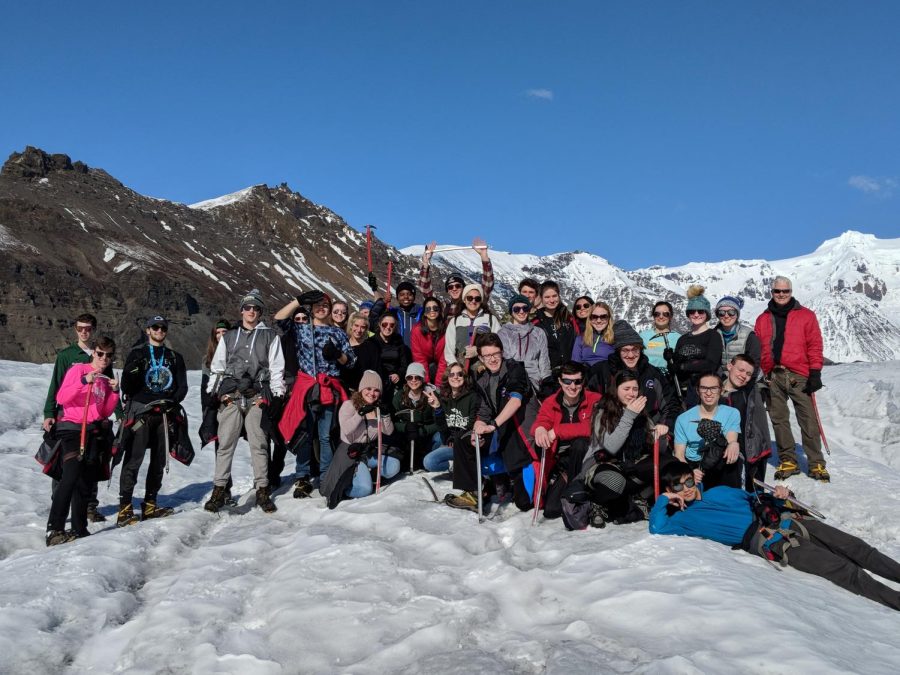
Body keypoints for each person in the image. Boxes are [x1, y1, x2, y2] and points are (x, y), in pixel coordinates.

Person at [650, 461, 900, 612]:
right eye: (678, 487)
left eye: (688, 481)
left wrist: (781, 492)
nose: (687, 489)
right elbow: (657, 528)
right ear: (671, 491)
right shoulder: (682, 519)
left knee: (858, 548)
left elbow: (758, 499)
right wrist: (663, 500)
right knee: (842, 569)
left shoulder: (721, 491)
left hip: (789, 519)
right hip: (770, 540)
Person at [204, 289, 285, 514]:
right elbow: (218, 367)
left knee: (258, 443)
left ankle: (262, 489)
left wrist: (275, 396)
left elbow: (276, 367)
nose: (251, 311)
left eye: (256, 308)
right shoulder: (229, 337)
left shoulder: (270, 336)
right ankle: (219, 489)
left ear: (260, 312)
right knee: (226, 442)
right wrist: (216, 394)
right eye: (248, 307)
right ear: (241, 310)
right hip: (232, 394)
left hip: (257, 394)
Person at [274, 291, 355, 498]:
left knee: (326, 436)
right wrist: (298, 301)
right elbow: (280, 319)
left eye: (325, 305)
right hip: (307, 389)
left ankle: (325, 475)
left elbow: (351, 361)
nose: (322, 308)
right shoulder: (301, 329)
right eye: (317, 305)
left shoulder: (337, 334)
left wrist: (338, 355)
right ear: (311, 308)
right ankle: (302, 475)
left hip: (329, 389)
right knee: (305, 433)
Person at [445, 334, 536, 512]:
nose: (492, 359)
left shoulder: (514, 369)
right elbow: (484, 410)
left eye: (496, 353)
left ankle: (506, 477)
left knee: (524, 503)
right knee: (464, 440)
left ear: (502, 353)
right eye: (487, 356)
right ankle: (474, 491)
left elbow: (515, 401)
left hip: (519, 432)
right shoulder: (483, 379)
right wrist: (478, 426)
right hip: (500, 430)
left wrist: (493, 425)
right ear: (480, 358)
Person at [561, 370, 661, 530]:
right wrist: (629, 415)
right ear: (616, 390)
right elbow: (611, 447)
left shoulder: (641, 413)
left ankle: (638, 499)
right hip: (601, 465)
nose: (632, 393)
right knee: (615, 482)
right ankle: (597, 503)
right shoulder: (602, 412)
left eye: (635, 389)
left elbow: (654, 446)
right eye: (626, 389)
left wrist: (659, 432)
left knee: (667, 464)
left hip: (629, 467)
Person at [41, 312, 117, 523]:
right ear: (75, 329)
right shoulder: (67, 356)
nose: (84, 332)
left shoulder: (101, 356)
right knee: (65, 469)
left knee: (90, 467)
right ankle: (59, 509)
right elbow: (57, 387)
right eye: (80, 328)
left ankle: (88, 508)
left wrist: (118, 409)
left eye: (88, 328)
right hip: (70, 420)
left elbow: (107, 392)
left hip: (93, 423)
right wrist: (49, 413)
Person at [754, 276, 828, 482]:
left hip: (799, 374)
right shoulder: (762, 319)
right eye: (777, 291)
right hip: (772, 375)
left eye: (785, 291)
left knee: (808, 420)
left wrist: (815, 372)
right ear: (772, 292)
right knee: (779, 420)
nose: (781, 295)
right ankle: (788, 460)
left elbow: (814, 344)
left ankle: (816, 463)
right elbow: (759, 348)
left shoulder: (806, 316)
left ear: (791, 291)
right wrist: (762, 375)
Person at [117, 315, 189, 526]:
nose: (159, 330)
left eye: (163, 328)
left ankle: (150, 504)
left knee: (158, 461)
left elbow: (182, 386)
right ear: (148, 330)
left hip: (165, 415)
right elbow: (127, 387)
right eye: (155, 327)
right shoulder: (137, 353)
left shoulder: (175, 357)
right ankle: (125, 508)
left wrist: (172, 401)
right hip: (141, 414)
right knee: (133, 460)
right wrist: (133, 372)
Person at [586, 320, 681, 446]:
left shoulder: (652, 374)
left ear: (641, 350)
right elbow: (589, 401)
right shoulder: (602, 372)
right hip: (611, 432)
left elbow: (670, 404)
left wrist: (665, 425)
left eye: (635, 349)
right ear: (618, 351)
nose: (630, 355)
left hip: (648, 433)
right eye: (625, 350)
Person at [319, 370, 401, 506]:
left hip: (368, 451)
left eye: (376, 390)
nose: (372, 393)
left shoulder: (378, 408)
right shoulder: (349, 406)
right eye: (368, 389)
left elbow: (388, 431)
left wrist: (386, 415)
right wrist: (360, 414)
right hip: (350, 452)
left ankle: (369, 475)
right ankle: (346, 490)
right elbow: (346, 430)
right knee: (365, 489)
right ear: (361, 389)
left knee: (393, 466)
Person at [531, 362, 601, 518]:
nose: (572, 386)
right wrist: (540, 428)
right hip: (563, 463)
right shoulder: (551, 401)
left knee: (580, 443)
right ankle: (566, 486)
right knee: (551, 510)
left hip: (588, 460)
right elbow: (542, 419)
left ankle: (576, 493)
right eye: (567, 381)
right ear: (560, 382)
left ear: (583, 382)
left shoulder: (595, 400)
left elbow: (594, 427)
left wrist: (557, 431)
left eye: (577, 381)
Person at [674, 372, 742, 490]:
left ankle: (729, 496)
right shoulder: (683, 419)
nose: (709, 393)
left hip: (719, 462)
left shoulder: (732, 413)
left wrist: (734, 444)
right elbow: (679, 454)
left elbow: (731, 439)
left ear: (721, 391)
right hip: (694, 465)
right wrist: (690, 472)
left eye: (713, 388)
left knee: (731, 455)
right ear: (697, 391)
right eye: (704, 388)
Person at [720, 354, 772, 491]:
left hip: (746, 452)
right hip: (718, 454)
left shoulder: (751, 394)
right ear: (729, 366)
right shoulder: (714, 391)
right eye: (740, 370)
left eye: (748, 374)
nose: (744, 376)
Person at [421, 361, 479, 474]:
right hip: (450, 439)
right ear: (447, 378)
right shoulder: (444, 398)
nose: (456, 377)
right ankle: (453, 465)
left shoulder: (472, 396)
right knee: (431, 453)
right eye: (452, 374)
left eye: (459, 374)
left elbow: (472, 423)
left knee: (430, 459)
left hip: (465, 441)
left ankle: (459, 465)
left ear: (464, 377)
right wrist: (437, 408)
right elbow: (441, 426)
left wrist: (456, 438)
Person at [418, 238, 495, 319]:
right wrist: (425, 264)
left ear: (463, 287)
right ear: (447, 290)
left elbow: (487, 285)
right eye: (450, 287)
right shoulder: (444, 308)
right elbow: (425, 290)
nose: (454, 289)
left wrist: (484, 257)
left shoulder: (473, 303)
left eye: (458, 286)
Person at [673, 285, 723, 405]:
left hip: (704, 393)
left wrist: (683, 367)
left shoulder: (713, 336)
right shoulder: (682, 339)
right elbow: (676, 367)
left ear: (707, 314)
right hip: (682, 393)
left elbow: (711, 364)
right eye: (692, 311)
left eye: (700, 311)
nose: (696, 314)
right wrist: (671, 361)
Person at [392, 362, 442, 471]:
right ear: (406, 379)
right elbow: (393, 421)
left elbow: (439, 422)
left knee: (439, 437)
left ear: (422, 379)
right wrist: (405, 427)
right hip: (408, 437)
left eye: (417, 377)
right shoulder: (399, 396)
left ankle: (429, 457)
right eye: (410, 377)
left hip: (427, 436)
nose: (413, 380)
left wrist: (423, 430)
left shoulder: (431, 395)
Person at [497, 293, 551, 393]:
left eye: (525, 308)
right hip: (512, 380)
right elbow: (507, 359)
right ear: (511, 312)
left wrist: (546, 380)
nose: (521, 312)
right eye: (516, 309)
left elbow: (543, 360)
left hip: (535, 380)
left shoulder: (538, 332)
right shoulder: (503, 333)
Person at [443, 284, 501, 371]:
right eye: (469, 298)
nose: (473, 301)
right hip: (461, 369)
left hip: (485, 369)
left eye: (477, 298)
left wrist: (478, 350)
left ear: (481, 301)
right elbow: (449, 350)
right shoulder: (455, 321)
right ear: (464, 300)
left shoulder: (491, 319)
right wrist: (455, 369)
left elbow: (498, 344)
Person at [355, 310, 410, 400]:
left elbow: (404, 364)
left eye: (392, 325)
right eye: (385, 324)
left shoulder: (399, 343)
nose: (388, 327)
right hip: (375, 382)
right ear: (380, 325)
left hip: (394, 382)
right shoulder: (371, 342)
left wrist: (399, 374)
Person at [533, 280, 577, 371]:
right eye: (547, 297)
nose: (552, 300)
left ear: (559, 296)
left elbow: (577, 341)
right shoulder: (536, 323)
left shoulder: (568, 318)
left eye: (554, 296)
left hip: (570, 370)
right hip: (548, 372)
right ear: (541, 298)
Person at [714, 295, 761, 377]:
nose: (726, 316)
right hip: (721, 381)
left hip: (745, 380)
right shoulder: (713, 335)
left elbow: (754, 363)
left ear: (737, 314)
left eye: (731, 312)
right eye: (721, 313)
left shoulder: (749, 336)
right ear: (718, 315)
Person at [369, 280, 422, 348]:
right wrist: (383, 302)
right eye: (402, 294)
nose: (406, 297)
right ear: (397, 298)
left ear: (414, 297)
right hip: (399, 355)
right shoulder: (392, 313)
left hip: (418, 356)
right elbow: (372, 322)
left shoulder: (422, 313)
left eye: (409, 294)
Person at [410, 296, 447, 384]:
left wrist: (438, 385)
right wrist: (426, 384)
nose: (432, 311)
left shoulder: (447, 329)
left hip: (441, 366)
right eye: (428, 309)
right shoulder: (416, 331)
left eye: (435, 308)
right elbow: (419, 359)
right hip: (425, 367)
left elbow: (444, 360)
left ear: (439, 310)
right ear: (424, 313)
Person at [640, 301, 681, 375]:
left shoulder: (678, 338)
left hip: (669, 379)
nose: (661, 316)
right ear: (653, 316)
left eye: (665, 314)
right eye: (657, 314)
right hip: (648, 378)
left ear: (670, 316)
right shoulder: (643, 336)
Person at [571, 301, 614, 367]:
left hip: (607, 374)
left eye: (603, 317)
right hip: (586, 374)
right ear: (590, 319)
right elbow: (575, 363)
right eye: (594, 317)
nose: (598, 321)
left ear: (609, 318)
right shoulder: (581, 338)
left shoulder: (616, 337)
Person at [338, 311, 371, 391]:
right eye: (356, 325)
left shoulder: (370, 347)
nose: (359, 330)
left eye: (362, 327)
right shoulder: (343, 345)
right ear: (351, 326)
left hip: (363, 390)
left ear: (366, 329)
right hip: (343, 389)